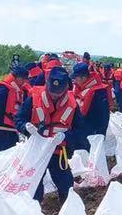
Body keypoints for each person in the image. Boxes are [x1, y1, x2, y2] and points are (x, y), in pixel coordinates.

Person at [15, 65, 77, 201]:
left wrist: (66, 137)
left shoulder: (72, 105)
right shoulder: (33, 98)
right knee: (34, 185)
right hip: (36, 151)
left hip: (59, 152)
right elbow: (19, 118)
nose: (54, 94)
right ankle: (35, 213)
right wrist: (25, 127)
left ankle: (66, 213)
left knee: (66, 185)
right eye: (52, 91)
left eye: (58, 92)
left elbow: (80, 131)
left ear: (66, 88)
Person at [0, 59, 30, 152]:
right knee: (1, 152)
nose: (25, 83)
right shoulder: (4, 90)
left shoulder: (18, 90)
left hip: (10, 128)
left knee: (11, 150)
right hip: (0, 127)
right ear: (19, 79)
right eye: (24, 80)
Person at [72, 61, 111, 149]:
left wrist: (99, 135)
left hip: (92, 133)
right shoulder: (82, 88)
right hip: (84, 130)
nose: (74, 81)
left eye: (76, 78)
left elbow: (103, 118)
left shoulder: (98, 92)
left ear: (83, 78)